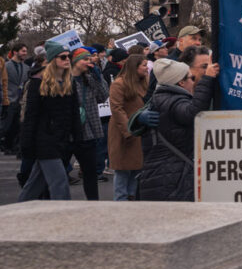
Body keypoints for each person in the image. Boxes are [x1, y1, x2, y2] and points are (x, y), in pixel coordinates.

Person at [137, 57, 217, 201]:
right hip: (171, 176)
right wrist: (207, 79)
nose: (194, 81)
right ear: (180, 82)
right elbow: (193, 113)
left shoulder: (163, 98)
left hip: (165, 173)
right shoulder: (173, 101)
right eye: (190, 78)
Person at [17, 41, 82, 201]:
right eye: (63, 57)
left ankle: (15, 213)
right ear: (53, 60)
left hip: (61, 140)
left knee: (35, 184)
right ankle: (62, 219)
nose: (67, 60)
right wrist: (26, 144)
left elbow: (74, 114)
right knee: (60, 182)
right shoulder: (38, 83)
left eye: (69, 57)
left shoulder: (69, 82)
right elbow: (31, 116)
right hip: (44, 140)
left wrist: (77, 137)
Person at [106, 50, 149, 201]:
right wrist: (128, 131)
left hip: (138, 131)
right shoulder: (119, 84)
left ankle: (131, 200)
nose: (147, 68)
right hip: (123, 133)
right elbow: (117, 109)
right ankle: (120, 202)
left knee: (135, 170)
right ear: (134, 67)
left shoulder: (143, 82)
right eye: (144, 65)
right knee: (123, 170)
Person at [68, 47, 108, 199]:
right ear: (76, 62)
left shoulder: (89, 78)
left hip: (88, 130)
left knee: (90, 173)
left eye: (90, 59)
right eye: (85, 59)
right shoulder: (65, 79)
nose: (88, 62)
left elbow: (103, 96)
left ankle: (93, 203)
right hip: (70, 131)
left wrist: (99, 77)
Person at [2, 42, 30, 153]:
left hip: (21, 100)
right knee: (6, 125)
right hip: (9, 99)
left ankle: (13, 146)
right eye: (23, 51)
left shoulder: (26, 68)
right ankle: (5, 145)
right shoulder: (5, 66)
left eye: (26, 51)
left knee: (17, 126)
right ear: (15, 52)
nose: (25, 53)